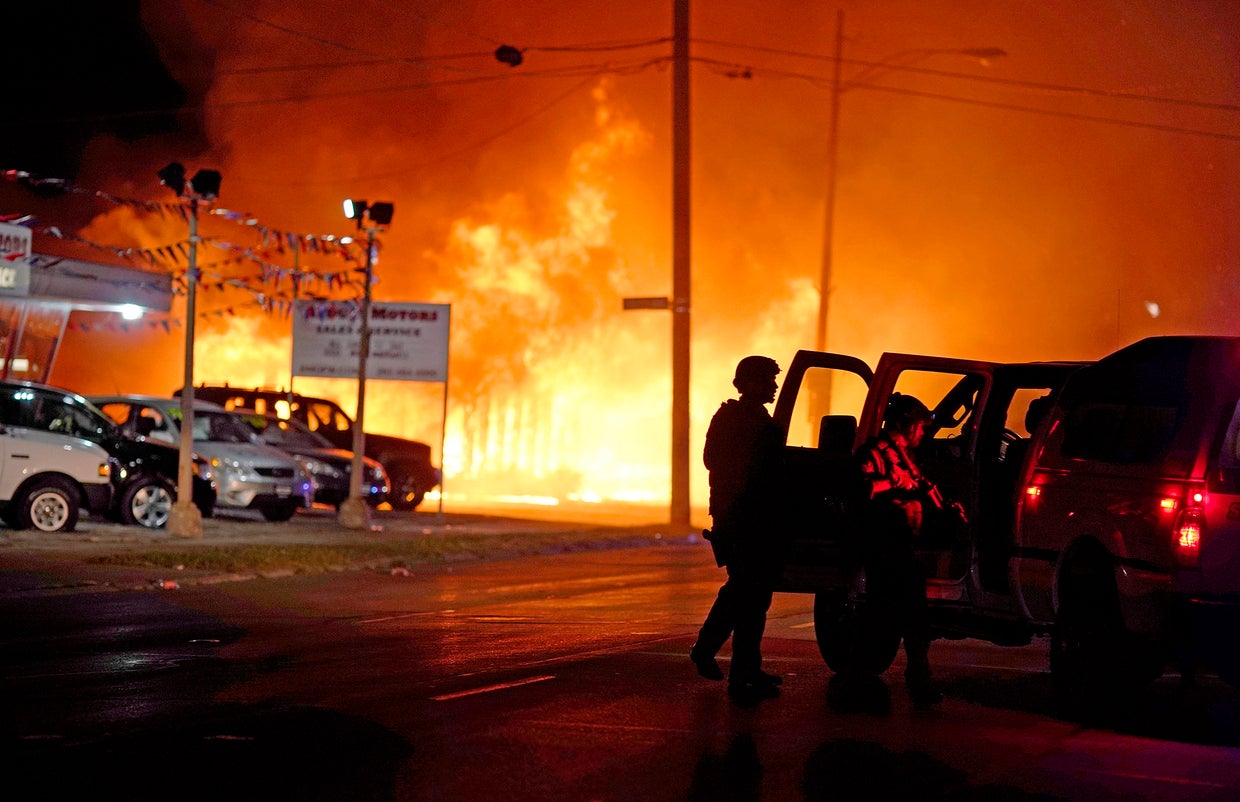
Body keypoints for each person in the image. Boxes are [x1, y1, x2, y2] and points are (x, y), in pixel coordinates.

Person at [833, 393, 948, 712]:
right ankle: (864, 680)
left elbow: (923, 487)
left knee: (904, 619)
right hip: (885, 547)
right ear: (906, 424)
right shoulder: (874, 454)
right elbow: (861, 489)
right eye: (921, 426)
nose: (924, 432)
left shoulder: (906, 455)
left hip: (903, 546)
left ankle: (895, 678)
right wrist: (894, 481)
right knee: (889, 619)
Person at [690, 355, 786, 704]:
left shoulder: (758, 418)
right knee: (746, 590)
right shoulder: (733, 418)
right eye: (768, 380)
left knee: (753, 594)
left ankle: (743, 669)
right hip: (739, 516)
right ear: (748, 383)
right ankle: (709, 650)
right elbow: (713, 460)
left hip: (753, 517)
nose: (774, 386)